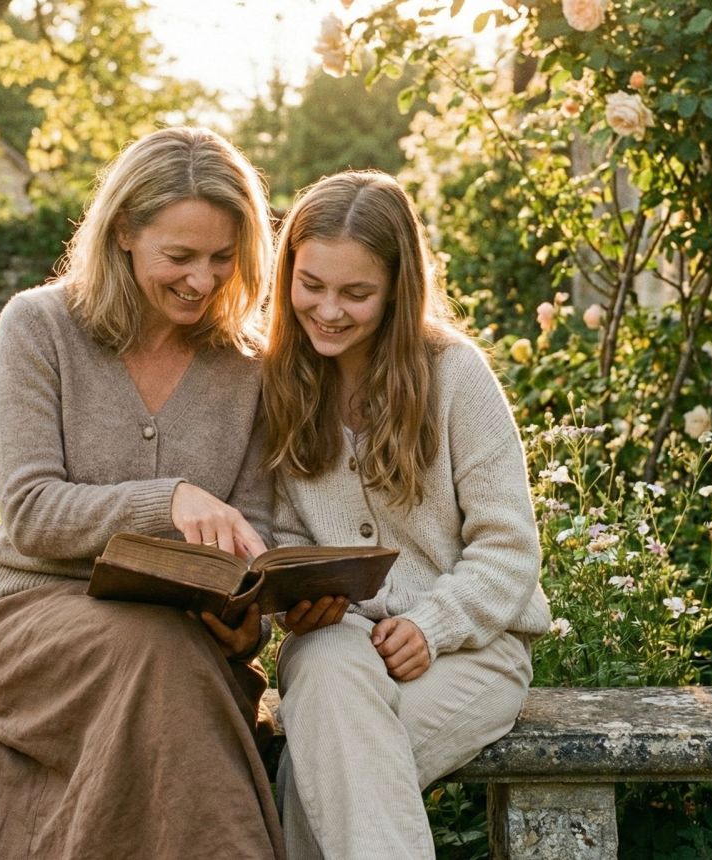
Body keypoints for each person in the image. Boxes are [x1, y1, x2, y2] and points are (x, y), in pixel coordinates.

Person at [0, 127, 285, 859]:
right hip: (36, 624)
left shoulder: (250, 366)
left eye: (222, 258)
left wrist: (247, 624)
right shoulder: (39, 327)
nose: (201, 280)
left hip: (190, 642)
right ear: (125, 233)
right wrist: (168, 499)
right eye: (179, 256)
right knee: (153, 655)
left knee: (166, 654)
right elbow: (33, 512)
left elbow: (254, 534)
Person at [260, 170, 552, 859]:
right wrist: (298, 604)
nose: (329, 310)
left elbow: (508, 547)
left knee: (317, 771)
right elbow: (282, 536)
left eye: (356, 293)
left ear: (397, 289)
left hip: (472, 652)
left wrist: (433, 623)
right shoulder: (279, 381)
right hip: (334, 646)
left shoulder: (455, 374)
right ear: (287, 274)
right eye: (312, 285)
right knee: (327, 672)